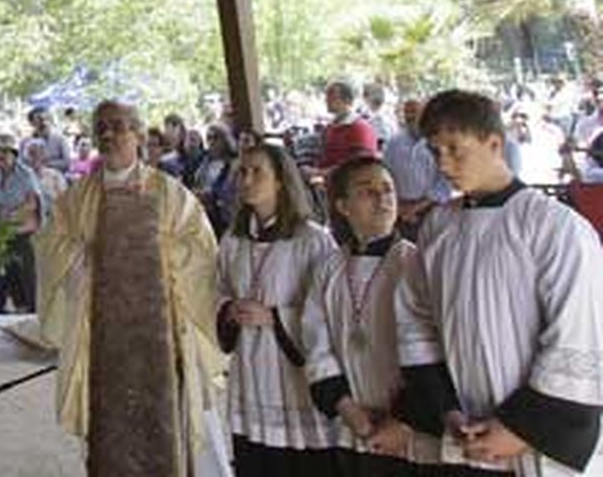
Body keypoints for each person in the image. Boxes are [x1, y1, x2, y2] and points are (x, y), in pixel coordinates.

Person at [395, 90, 603, 476]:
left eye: (456, 149)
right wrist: (447, 409)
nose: (444, 164)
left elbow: (577, 333)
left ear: (495, 143)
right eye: (435, 151)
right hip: (464, 433)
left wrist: (520, 428)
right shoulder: (437, 226)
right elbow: (415, 322)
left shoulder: (554, 226)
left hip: (534, 440)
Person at [33, 100, 229, 477]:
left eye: (118, 126)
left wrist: (154, 252)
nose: (108, 134)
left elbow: (201, 251)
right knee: (110, 440)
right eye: (101, 127)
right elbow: (50, 245)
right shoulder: (77, 199)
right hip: (101, 340)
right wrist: (87, 254)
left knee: (163, 431)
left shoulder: (170, 194)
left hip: (160, 338)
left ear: (138, 134)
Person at [302, 155, 435, 475]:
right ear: (343, 207)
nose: (382, 198)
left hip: (411, 428)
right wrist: (347, 408)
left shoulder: (416, 264)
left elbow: (432, 350)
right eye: (367, 191)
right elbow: (315, 342)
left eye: (388, 189)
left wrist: (403, 420)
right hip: (355, 422)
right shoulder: (329, 268)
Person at [218, 142, 338, 476]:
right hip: (250, 371)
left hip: (293, 375)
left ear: (281, 180)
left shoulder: (312, 240)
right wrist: (228, 309)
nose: (246, 180)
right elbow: (218, 290)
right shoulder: (232, 240)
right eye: (242, 171)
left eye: (257, 172)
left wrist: (274, 317)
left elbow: (329, 311)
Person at [0, 134, 40, 313]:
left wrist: (9, 217)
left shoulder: (26, 174)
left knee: (26, 285)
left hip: (22, 236)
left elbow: (32, 204)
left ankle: (30, 318)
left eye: (5, 151)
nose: (1, 155)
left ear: (14, 154)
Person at [382, 98, 451, 239]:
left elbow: (445, 182)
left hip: (431, 209)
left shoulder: (439, 141)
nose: (409, 116)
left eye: (414, 111)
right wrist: (399, 206)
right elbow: (385, 173)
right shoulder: (394, 143)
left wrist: (417, 207)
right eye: (406, 112)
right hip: (400, 211)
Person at [322, 81, 380, 170]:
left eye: (332, 97)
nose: (327, 100)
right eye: (327, 97)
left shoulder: (360, 127)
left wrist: (324, 172)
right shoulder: (330, 127)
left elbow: (360, 165)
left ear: (347, 100)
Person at [192, 123, 239, 234]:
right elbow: (196, 182)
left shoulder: (234, 163)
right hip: (206, 216)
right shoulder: (203, 162)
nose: (211, 142)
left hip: (226, 216)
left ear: (225, 139)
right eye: (208, 138)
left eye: (215, 137)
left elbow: (232, 190)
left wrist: (212, 195)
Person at [25, 139, 67, 217]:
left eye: (39, 153)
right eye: (31, 154)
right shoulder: (23, 177)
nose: (35, 157)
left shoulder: (55, 176)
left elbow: (64, 200)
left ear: (43, 155)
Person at [25, 106, 72, 174]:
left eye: (46, 118)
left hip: (57, 178)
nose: (43, 122)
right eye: (39, 119)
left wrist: (46, 164)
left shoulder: (60, 139)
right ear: (32, 123)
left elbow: (67, 162)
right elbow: (22, 163)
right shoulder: (26, 142)